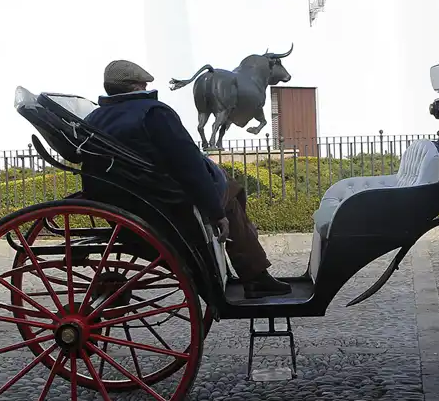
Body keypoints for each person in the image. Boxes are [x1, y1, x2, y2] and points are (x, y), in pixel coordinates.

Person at [83, 59, 292, 299]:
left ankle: (245, 240)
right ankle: (255, 276)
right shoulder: (153, 113)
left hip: (127, 197)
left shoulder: (95, 119)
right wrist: (215, 213)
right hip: (163, 200)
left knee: (231, 188)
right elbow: (188, 165)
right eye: (144, 84)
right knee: (231, 196)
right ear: (138, 86)